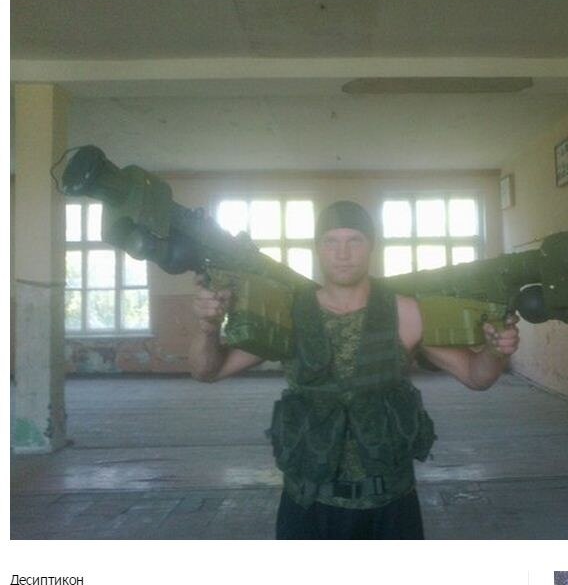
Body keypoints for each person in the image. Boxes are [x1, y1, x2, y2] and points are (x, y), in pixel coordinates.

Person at [189, 200, 520, 539]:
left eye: (354, 241)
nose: (343, 253)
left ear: (371, 246)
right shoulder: (287, 313)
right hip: (309, 502)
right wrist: (208, 328)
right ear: (318, 248)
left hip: (391, 505)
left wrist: (495, 351)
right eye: (331, 241)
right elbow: (207, 371)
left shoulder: (407, 312)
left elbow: (476, 376)